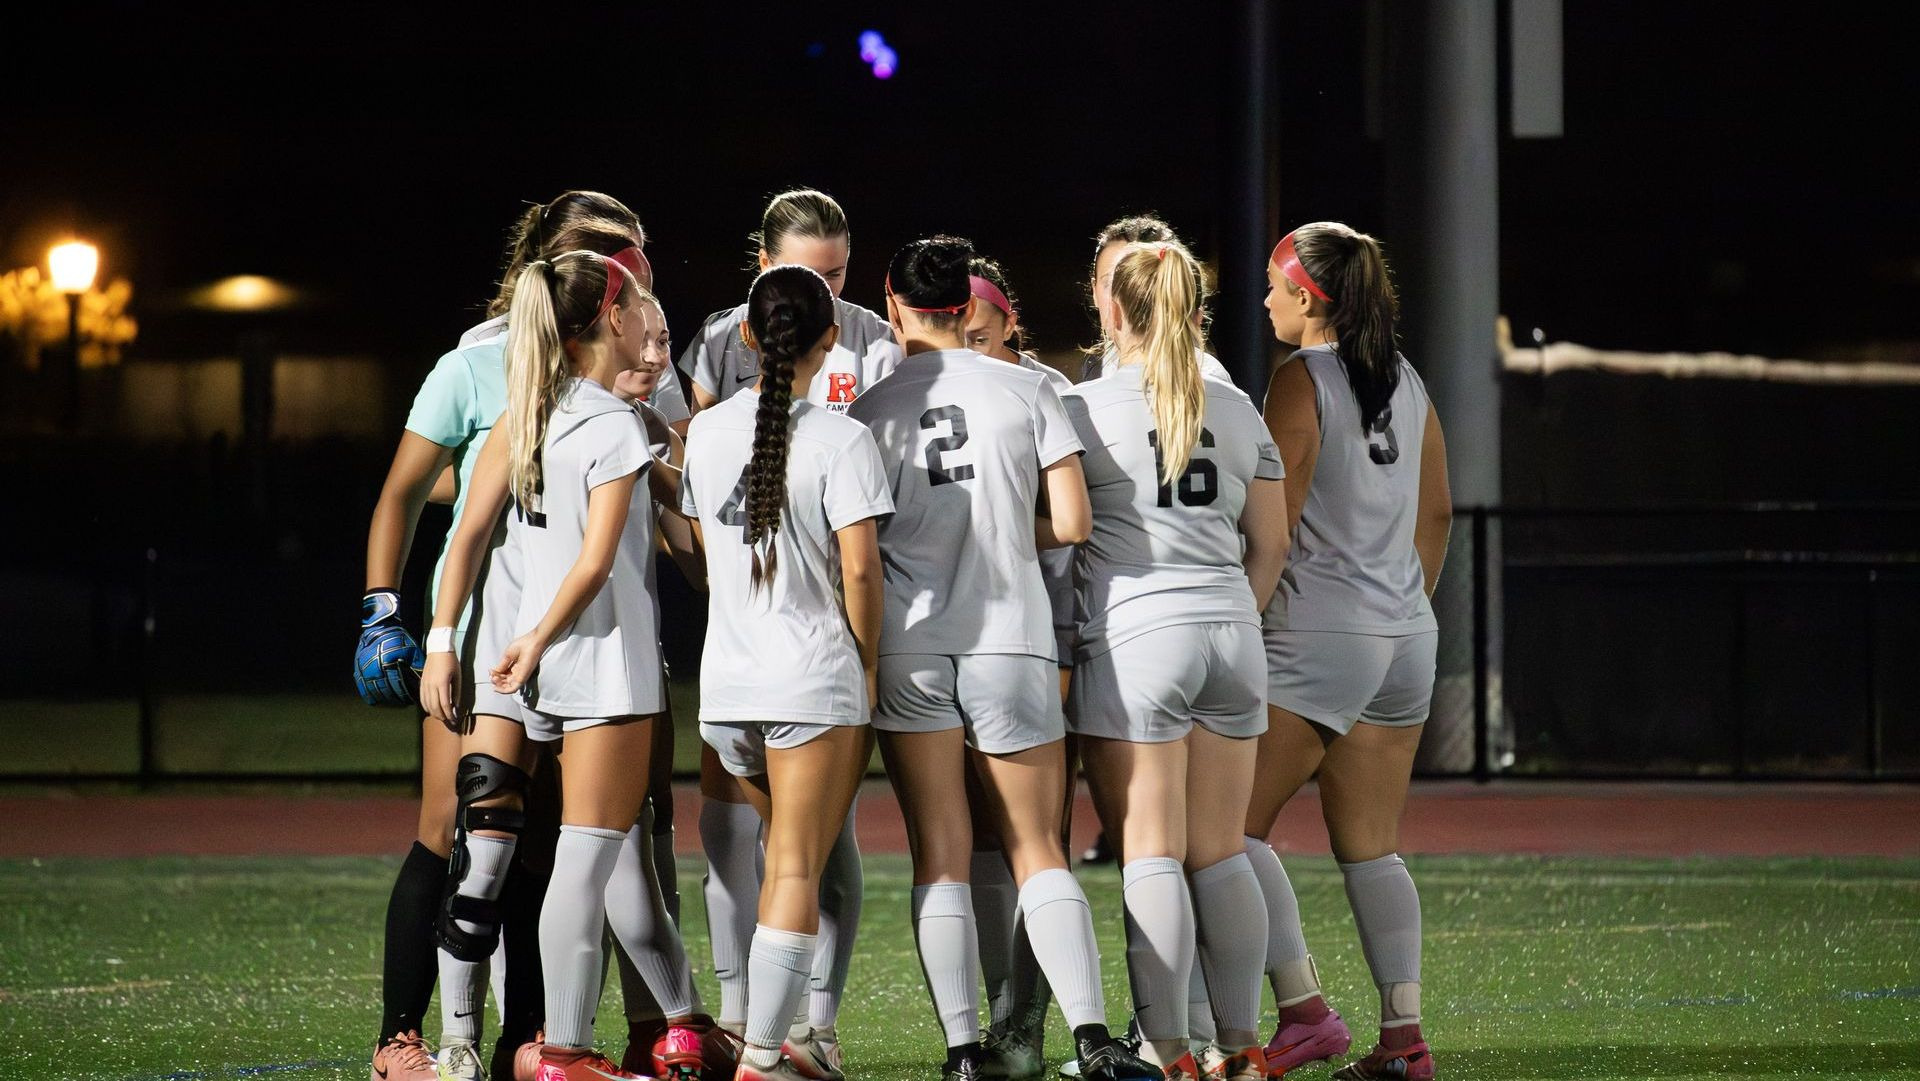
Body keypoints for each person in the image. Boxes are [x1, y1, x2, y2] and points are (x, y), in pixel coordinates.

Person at [358, 191, 677, 1081]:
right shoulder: (483, 368)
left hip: (558, 640)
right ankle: (421, 1037)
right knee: (467, 838)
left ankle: (528, 1040)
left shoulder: (633, 367)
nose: (638, 273)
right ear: (584, 281)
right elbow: (417, 495)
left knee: (571, 847)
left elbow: (665, 501)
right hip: (522, 647)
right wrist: (413, 621)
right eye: (620, 260)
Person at [849, 235, 1156, 1081]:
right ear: (965, 304)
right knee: (1036, 849)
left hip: (912, 643)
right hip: (1011, 636)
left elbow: (860, 547)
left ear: (894, 303)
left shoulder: (870, 409)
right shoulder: (1028, 387)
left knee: (940, 853)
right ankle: (1093, 1039)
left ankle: (960, 1051)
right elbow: (1074, 521)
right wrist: (994, 534)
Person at [419, 251, 705, 1081]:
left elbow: (467, 535)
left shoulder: (528, 410)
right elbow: (595, 560)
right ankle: (567, 1051)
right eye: (639, 314)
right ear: (611, 320)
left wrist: (447, 638)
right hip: (602, 665)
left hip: (532, 668)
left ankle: (685, 1021)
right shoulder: (612, 422)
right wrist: (540, 637)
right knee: (589, 865)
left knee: (623, 877)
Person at [1063, 241, 1291, 1081]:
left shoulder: (1084, 406)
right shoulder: (1235, 405)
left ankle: (1166, 1050)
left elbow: (1060, 528)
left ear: (1114, 310)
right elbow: (1271, 543)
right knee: (1221, 850)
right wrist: (1232, 614)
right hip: (1231, 630)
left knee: (1152, 851)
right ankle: (1240, 1045)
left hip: (1138, 634)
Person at [682, 188, 887, 1070]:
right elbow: (862, 571)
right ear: (829, 338)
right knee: (802, 867)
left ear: (749, 339)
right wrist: (867, 669)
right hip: (811, 680)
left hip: (726, 686)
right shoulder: (841, 442)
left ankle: (760, 1032)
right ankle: (768, 1053)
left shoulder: (703, 437)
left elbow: (699, 541)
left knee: (769, 863)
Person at [1244, 223, 1451, 1081]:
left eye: (1272, 287)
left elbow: (1274, 523)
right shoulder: (1407, 379)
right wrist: (1400, 611)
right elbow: (1434, 514)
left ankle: (1302, 1011)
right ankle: (1403, 1037)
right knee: (1371, 843)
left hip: (1321, 630)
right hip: (1406, 634)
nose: (1263, 301)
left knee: (1222, 831)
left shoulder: (1301, 377)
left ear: (1308, 298)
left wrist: (1241, 624)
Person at [959, 257, 1070, 1080]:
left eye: (983, 331)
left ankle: (1025, 1019)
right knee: (982, 842)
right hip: (964, 636)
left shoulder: (1038, 390)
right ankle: (1003, 1017)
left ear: (1009, 324)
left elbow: (1068, 522)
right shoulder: (922, 384)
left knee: (1037, 836)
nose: (971, 343)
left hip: (1046, 626)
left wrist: (988, 535)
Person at [1081, 216, 1233, 386]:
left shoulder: (1208, 376)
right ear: (1094, 291)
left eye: (1140, 283)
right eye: (1110, 283)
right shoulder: (1096, 366)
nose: (1122, 295)